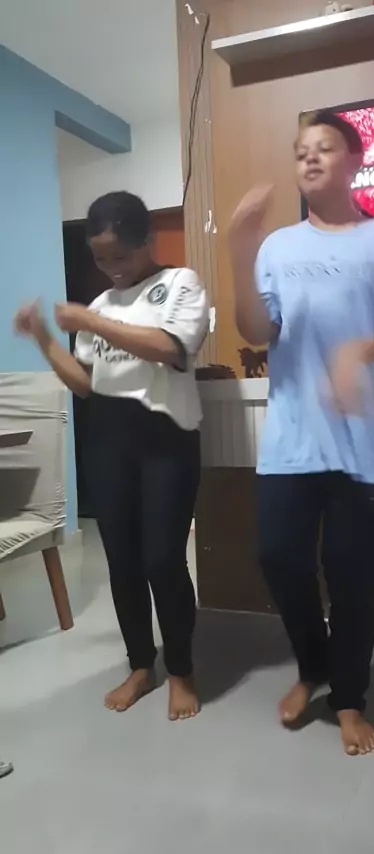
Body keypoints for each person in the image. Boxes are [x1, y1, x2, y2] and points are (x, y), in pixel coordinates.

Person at [229, 111, 374, 756]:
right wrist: (240, 249)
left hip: (364, 449)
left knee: (353, 580)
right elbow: (256, 331)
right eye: (301, 151)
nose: (311, 158)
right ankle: (313, 666)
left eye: (324, 148)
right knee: (278, 558)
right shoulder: (277, 247)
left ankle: (348, 698)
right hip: (292, 441)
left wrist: (360, 352)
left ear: (353, 162)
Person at [15, 192, 209, 720]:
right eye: (101, 259)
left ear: (148, 241)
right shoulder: (100, 305)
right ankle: (141, 665)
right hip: (108, 440)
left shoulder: (181, 284)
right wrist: (45, 339)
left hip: (166, 440)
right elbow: (86, 384)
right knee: (122, 562)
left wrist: (92, 323)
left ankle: (182, 670)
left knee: (162, 560)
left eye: (121, 255)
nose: (112, 268)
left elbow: (170, 349)